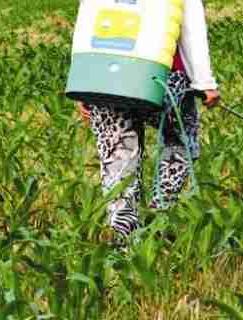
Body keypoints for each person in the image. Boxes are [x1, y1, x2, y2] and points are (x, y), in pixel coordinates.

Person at [75, 0, 220, 242]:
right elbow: (191, 20)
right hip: (162, 74)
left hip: (104, 74)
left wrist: (82, 80)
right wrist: (203, 81)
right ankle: (159, 215)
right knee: (180, 140)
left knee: (117, 156)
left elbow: (88, 17)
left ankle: (123, 234)